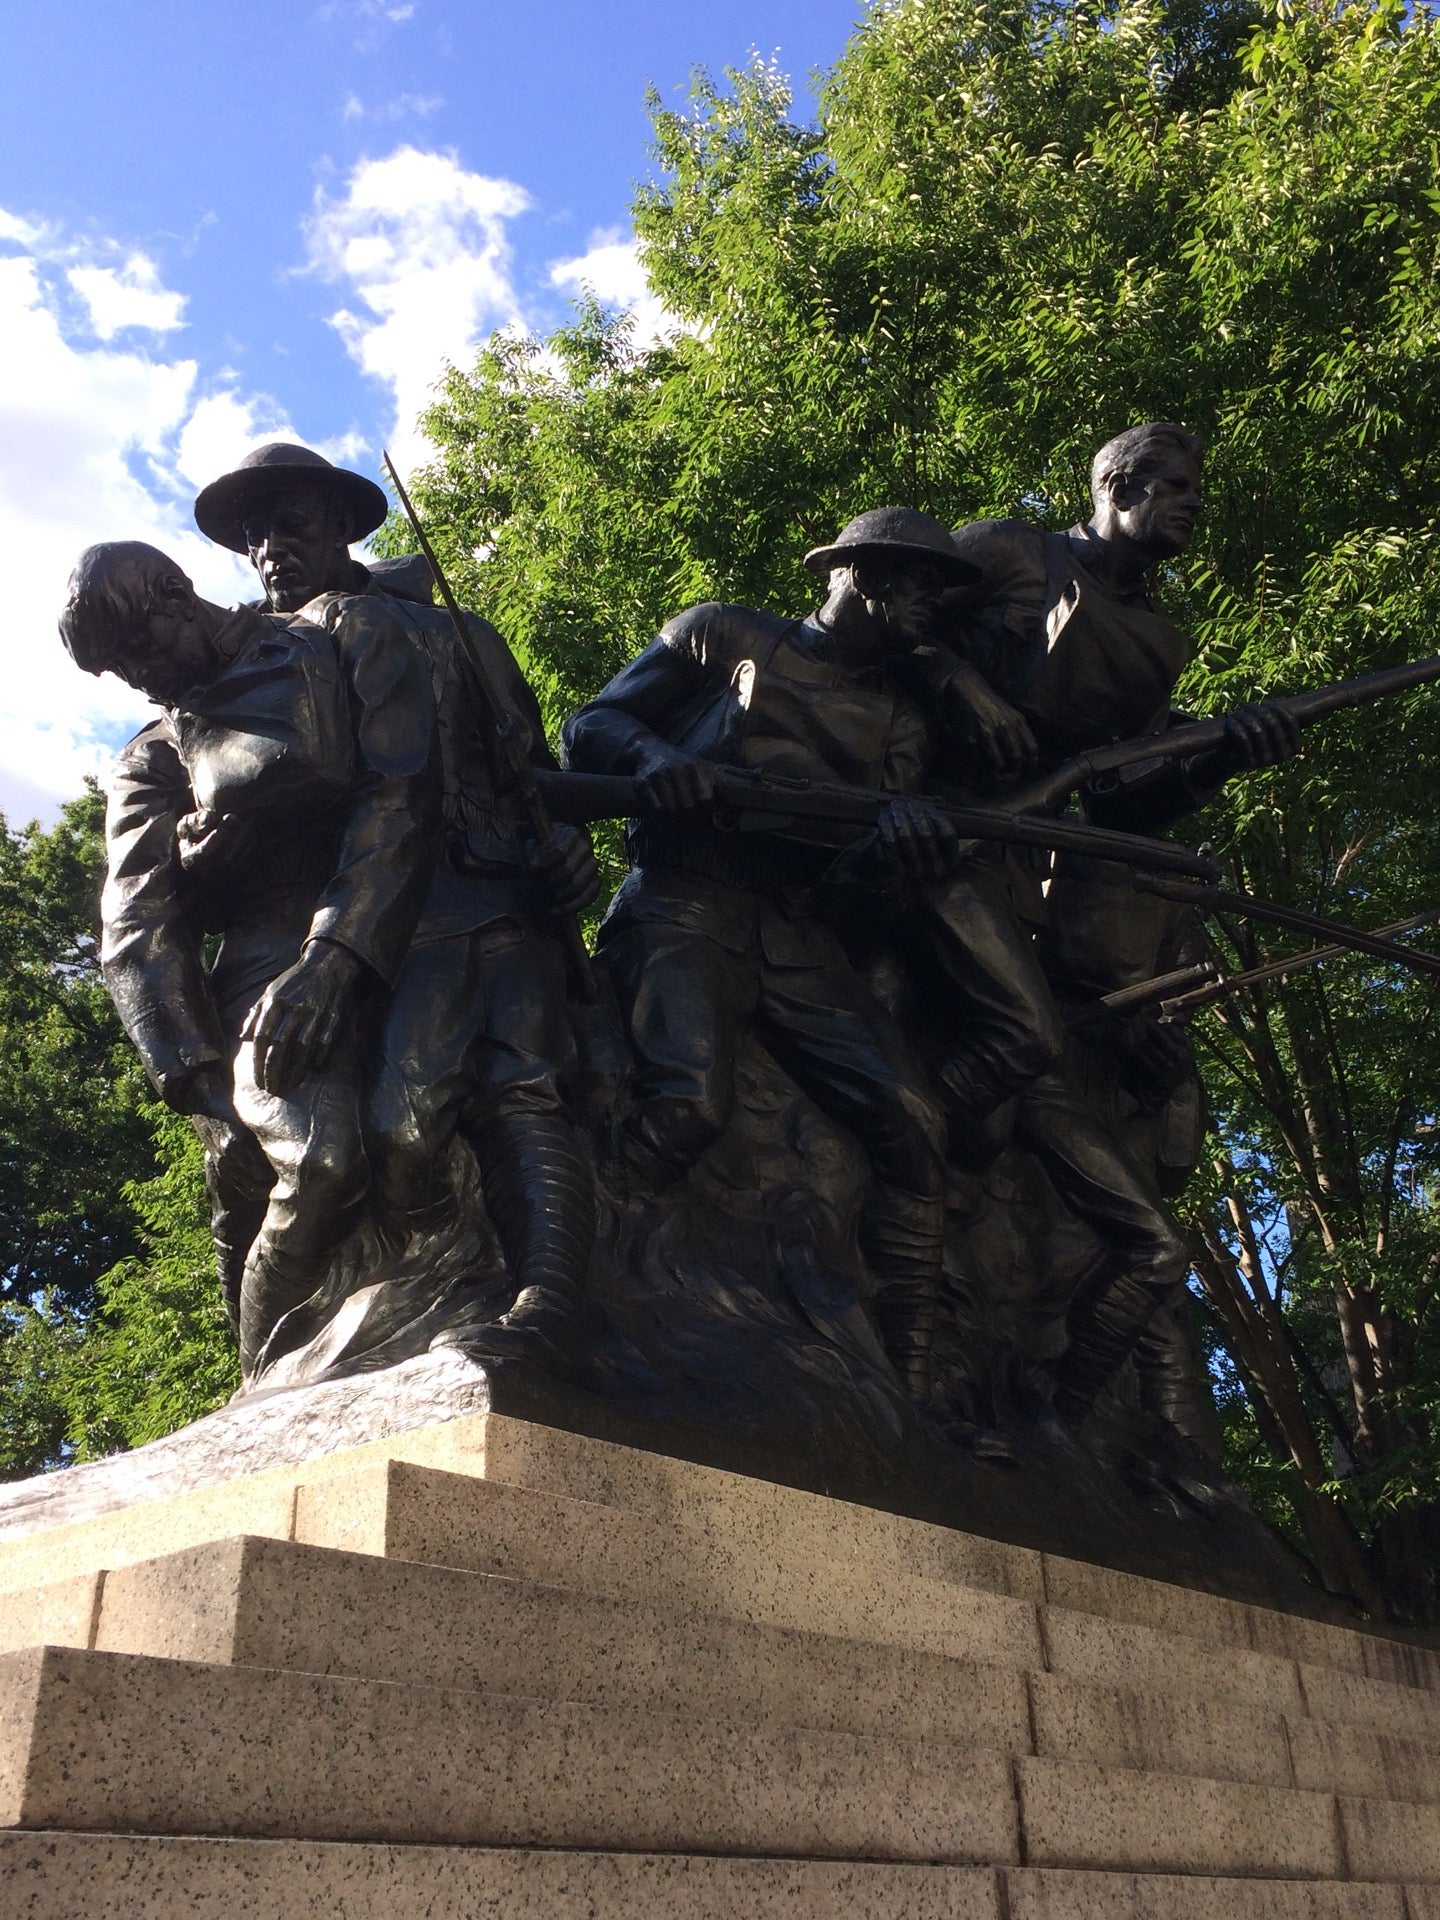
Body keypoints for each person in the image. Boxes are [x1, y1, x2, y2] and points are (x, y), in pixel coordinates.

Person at [919, 421, 1299, 1426]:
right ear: (1117, 487)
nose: (1191, 505)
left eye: (1194, 489)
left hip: (1006, 861)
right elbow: (883, 622)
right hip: (910, 816)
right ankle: (921, 1175)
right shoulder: (1005, 550)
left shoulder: (1159, 644)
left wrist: (1221, 756)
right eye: (1173, 486)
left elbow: (1116, 805)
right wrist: (963, 692)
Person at [194, 443, 600, 1361]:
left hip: (492, 897)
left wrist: (568, 850)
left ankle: (550, 1304)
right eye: (253, 536)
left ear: (339, 525)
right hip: (361, 928)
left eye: (289, 525)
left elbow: (532, 776)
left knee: (517, 1092)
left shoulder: (463, 634)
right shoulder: (251, 663)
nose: (268, 550)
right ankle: (361, 1337)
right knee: (386, 1139)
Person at [562, 508, 977, 1397]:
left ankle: (908, 1384)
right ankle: (577, 1287)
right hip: (682, 901)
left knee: (917, 1123)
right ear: (866, 577)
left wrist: (895, 853)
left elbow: (860, 887)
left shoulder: (902, 724)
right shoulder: (719, 631)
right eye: (923, 588)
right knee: (686, 1105)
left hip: (794, 935)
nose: (934, 611)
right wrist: (657, 761)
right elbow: (591, 726)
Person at [59, 540, 438, 1381]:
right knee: (319, 1162)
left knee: (439, 1130)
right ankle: (263, 1399)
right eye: (119, 672)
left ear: (176, 595)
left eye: (140, 652)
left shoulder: (326, 639)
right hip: (263, 967)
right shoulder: (152, 757)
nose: (140, 680)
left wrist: (337, 954)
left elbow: (399, 792)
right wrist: (200, 1094)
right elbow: (135, 926)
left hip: (410, 926)